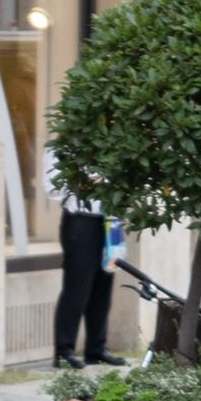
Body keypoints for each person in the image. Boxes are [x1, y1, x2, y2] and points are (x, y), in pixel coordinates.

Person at [44, 138, 119, 365]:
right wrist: (86, 184)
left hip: (111, 219)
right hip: (80, 220)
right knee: (77, 286)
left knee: (104, 285)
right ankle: (64, 351)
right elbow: (53, 188)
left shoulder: (112, 143)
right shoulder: (60, 146)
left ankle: (96, 348)